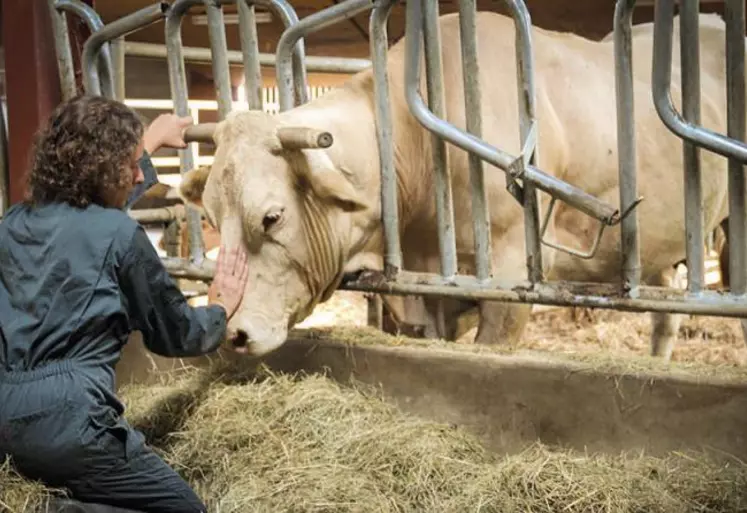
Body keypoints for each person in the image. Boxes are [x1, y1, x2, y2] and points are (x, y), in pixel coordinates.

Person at [0, 94, 234, 513]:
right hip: (72, 422)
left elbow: (87, 223)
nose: (135, 174)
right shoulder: (120, 236)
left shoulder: (13, 223)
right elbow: (174, 336)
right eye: (128, 164)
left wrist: (152, 140)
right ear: (99, 169)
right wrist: (219, 310)